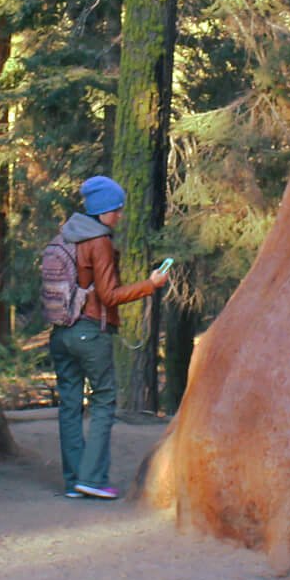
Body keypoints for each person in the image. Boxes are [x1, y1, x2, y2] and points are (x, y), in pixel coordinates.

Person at [50, 175, 169, 499]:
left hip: (61, 333)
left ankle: (74, 479)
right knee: (103, 400)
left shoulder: (67, 236)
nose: (119, 215)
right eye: (116, 209)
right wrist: (151, 284)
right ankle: (92, 478)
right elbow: (110, 295)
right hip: (90, 331)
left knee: (70, 405)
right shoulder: (98, 241)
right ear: (102, 211)